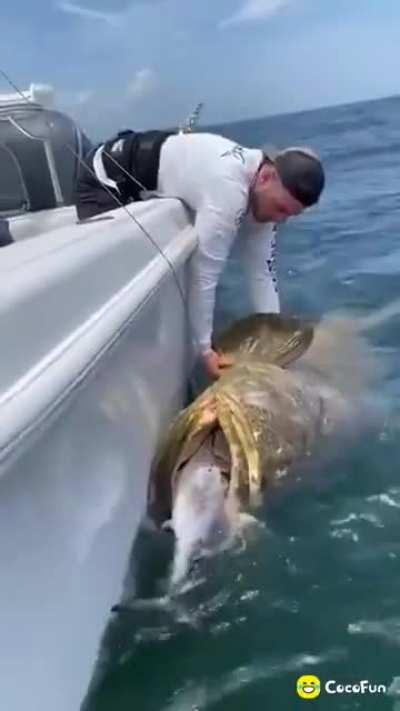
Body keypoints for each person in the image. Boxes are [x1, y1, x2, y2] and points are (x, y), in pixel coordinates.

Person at [75, 130, 325, 379]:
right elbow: (204, 275)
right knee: (114, 280)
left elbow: (262, 273)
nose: (280, 220)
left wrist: (275, 345)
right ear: (267, 176)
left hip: (143, 172)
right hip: (104, 177)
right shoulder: (229, 188)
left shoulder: (263, 186)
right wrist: (204, 351)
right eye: (280, 208)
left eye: (289, 216)